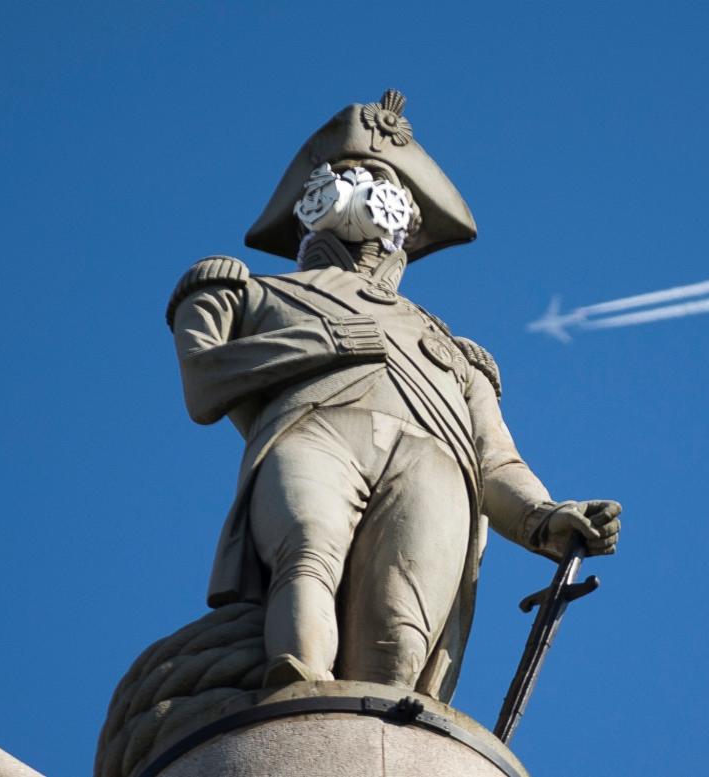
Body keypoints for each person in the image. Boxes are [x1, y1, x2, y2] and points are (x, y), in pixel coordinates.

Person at [167, 90, 621, 701]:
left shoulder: (455, 351)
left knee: (401, 642)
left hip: (434, 464)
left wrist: (543, 519)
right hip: (312, 432)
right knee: (307, 549)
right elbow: (205, 383)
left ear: (408, 215)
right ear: (313, 198)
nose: (363, 186)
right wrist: (327, 340)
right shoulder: (246, 293)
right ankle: (297, 705)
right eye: (349, 174)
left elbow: (496, 462)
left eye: (380, 180)